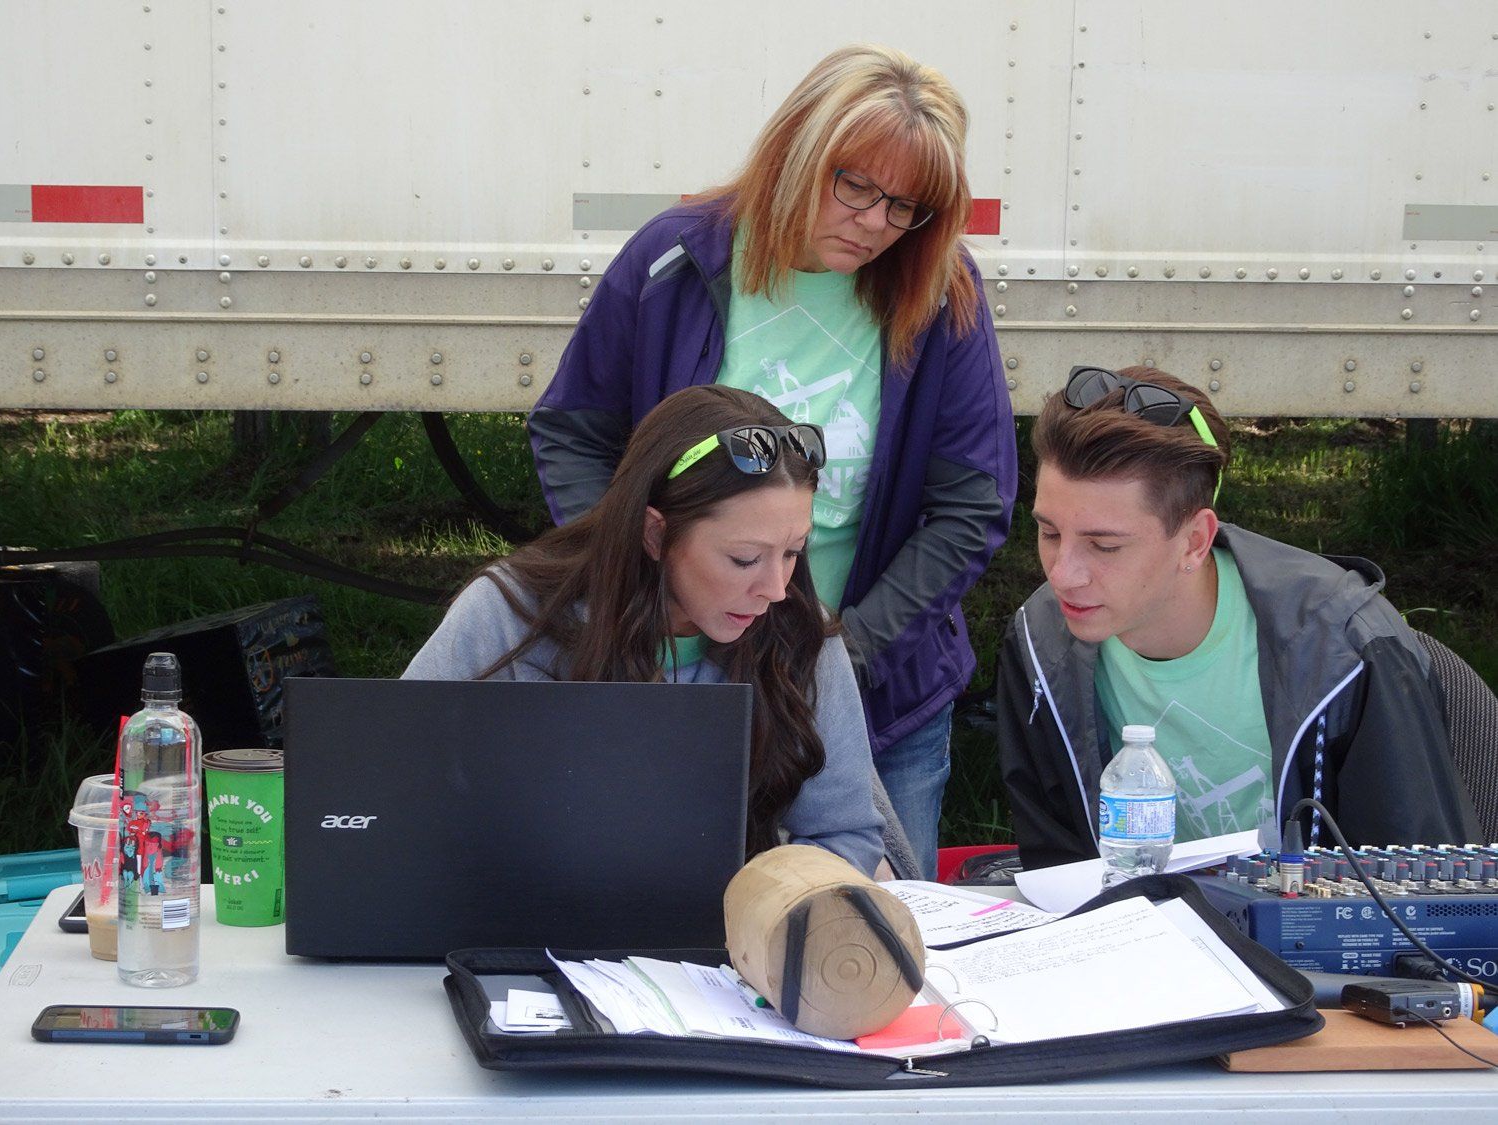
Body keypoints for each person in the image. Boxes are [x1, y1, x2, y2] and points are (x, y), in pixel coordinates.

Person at [528, 45, 1018, 878]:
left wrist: (841, 653)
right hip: (680, 672)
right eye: (854, 185)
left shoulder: (942, 287)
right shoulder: (678, 256)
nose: (873, 222)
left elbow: (972, 502)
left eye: (904, 206)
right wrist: (628, 574)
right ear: (796, 147)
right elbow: (573, 430)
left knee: (872, 940)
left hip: (878, 687)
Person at [996, 365, 1482, 871]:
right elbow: (1058, 867)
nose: (1064, 576)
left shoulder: (1345, 646)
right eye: (1049, 533)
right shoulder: (1039, 640)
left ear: (1194, 541)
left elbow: (1424, 892)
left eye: (1104, 545)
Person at [405, 385, 886, 877]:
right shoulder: (509, 612)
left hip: (727, 943)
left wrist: (765, 909)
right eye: (745, 559)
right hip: (515, 929)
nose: (776, 589)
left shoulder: (800, 631)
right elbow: (397, 785)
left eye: (792, 552)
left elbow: (844, 835)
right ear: (655, 533)